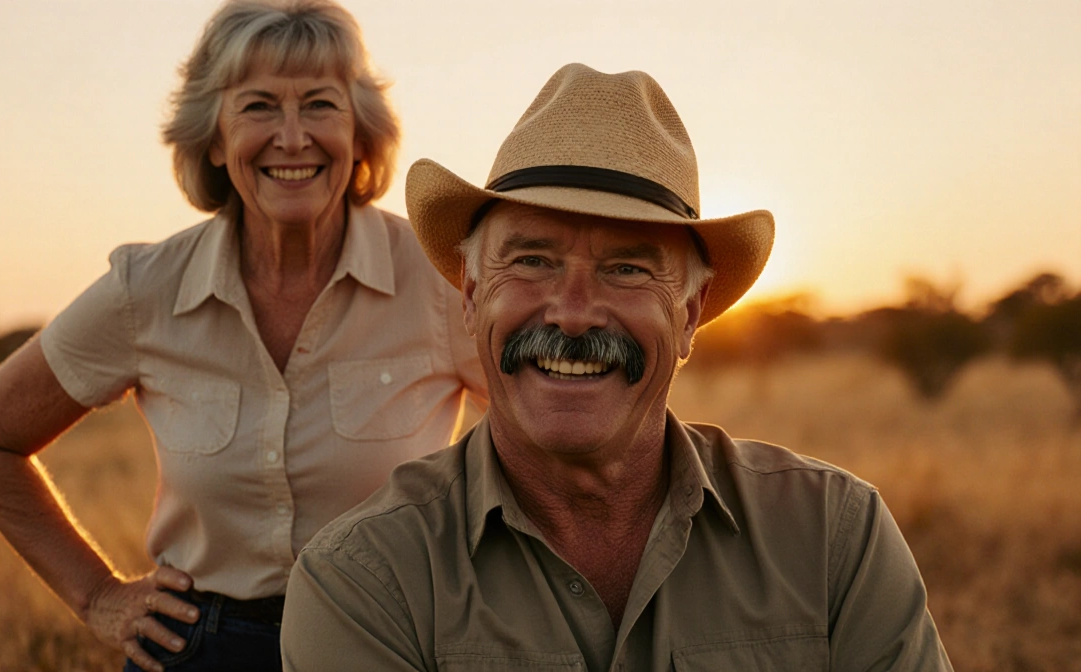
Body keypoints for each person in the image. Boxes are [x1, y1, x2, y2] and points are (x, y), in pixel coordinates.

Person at [281, 63, 953, 670]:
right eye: (533, 260)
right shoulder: (365, 580)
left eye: (626, 268)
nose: (573, 314)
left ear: (689, 315)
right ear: (473, 295)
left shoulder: (834, 538)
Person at [0, 1, 486, 670]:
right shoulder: (146, 289)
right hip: (197, 648)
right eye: (258, 107)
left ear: (360, 134)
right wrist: (96, 597)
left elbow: (553, 439)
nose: (292, 138)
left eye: (320, 105)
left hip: (390, 642)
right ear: (213, 137)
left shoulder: (439, 277)